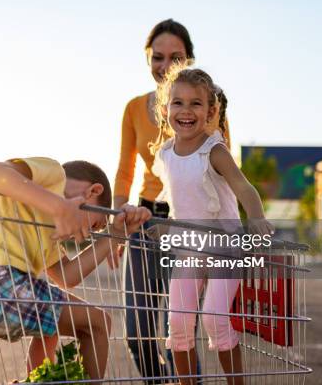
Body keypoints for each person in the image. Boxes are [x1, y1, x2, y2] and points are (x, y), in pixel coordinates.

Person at [0, 158, 152, 380]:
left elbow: (67, 276)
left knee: (51, 322)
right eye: (95, 225)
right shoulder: (53, 174)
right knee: (97, 324)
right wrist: (59, 206)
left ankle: (40, 380)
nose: (88, 234)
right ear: (93, 191)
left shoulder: (49, 235)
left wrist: (117, 235)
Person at [113, 19, 229, 382]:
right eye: (157, 57)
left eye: (175, 57)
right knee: (137, 329)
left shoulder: (208, 105)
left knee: (177, 331)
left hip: (190, 221)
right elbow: (124, 170)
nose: (165, 66)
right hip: (146, 218)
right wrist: (117, 217)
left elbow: (223, 166)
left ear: (189, 59)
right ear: (148, 59)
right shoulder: (133, 108)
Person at [150, 66, 273, 385]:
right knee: (177, 323)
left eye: (196, 103)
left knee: (215, 319)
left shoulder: (214, 151)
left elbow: (244, 187)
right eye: (178, 103)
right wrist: (163, 226)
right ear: (165, 110)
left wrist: (256, 218)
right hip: (189, 249)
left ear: (210, 111)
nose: (186, 111)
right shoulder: (166, 154)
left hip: (225, 249)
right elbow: (179, 202)